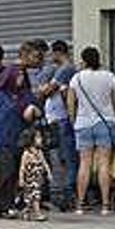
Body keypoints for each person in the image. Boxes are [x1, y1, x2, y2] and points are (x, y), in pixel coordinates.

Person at [67, 46, 115, 215]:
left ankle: (80, 204)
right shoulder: (109, 76)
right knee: (104, 164)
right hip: (105, 123)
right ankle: (106, 205)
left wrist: (73, 121)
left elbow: (71, 103)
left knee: (84, 164)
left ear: (84, 60)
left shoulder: (76, 78)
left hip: (83, 124)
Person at [0, 65, 35, 218]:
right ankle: (3, 207)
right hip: (0, 140)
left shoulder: (25, 95)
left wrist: (32, 109)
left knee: (14, 175)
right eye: (18, 75)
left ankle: (8, 205)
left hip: (17, 140)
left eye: (22, 75)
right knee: (7, 172)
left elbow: (38, 111)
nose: (21, 78)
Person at [39, 40, 78, 211]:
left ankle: (67, 196)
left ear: (57, 53)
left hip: (62, 118)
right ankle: (63, 195)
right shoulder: (62, 69)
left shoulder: (66, 69)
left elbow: (47, 91)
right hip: (57, 119)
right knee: (60, 158)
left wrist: (45, 90)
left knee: (66, 158)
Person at [18, 128, 52, 221]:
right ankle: (35, 213)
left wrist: (48, 173)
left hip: (38, 178)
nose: (40, 139)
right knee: (33, 197)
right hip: (29, 179)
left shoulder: (39, 152)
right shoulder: (26, 154)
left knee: (34, 197)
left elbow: (44, 163)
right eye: (37, 137)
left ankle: (30, 212)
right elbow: (22, 167)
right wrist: (21, 179)